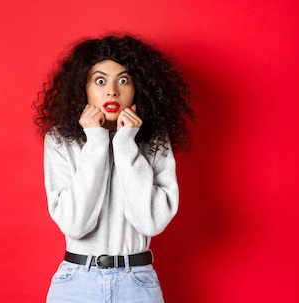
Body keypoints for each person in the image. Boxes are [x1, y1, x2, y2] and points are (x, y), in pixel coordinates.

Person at [33, 34, 193, 302]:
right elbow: (75, 224)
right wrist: (96, 141)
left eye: (123, 79)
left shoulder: (153, 140)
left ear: (137, 87)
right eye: (99, 80)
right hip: (76, 283)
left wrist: (126, 143)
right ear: (83, 88)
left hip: (138, 283)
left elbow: (151, 221)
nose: (112, 91)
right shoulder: (61, 140)